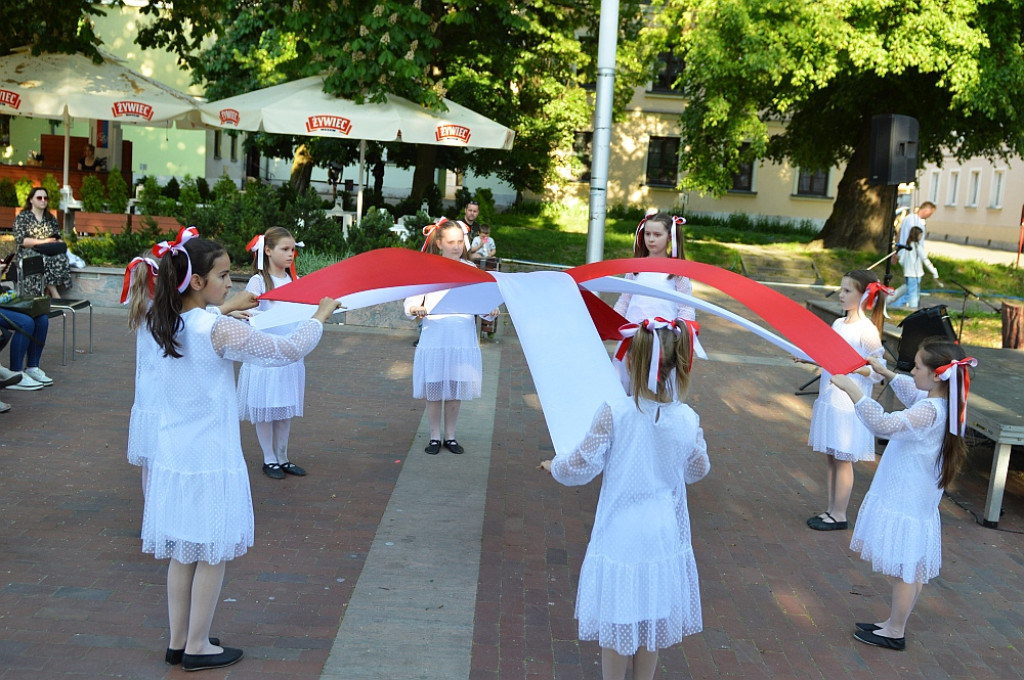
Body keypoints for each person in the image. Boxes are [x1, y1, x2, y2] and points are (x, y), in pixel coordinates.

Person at [140, 232, 339, 671]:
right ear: (196, 282)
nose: (231, 284)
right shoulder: (215, 327)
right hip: (210, 452)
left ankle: (178, 641)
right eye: (223, 276)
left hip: (175, 451)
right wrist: (321, 315)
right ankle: (198, 647)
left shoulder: (163, 320)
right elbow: (286, 351)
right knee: (212, 549)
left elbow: (208, 320)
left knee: (183, 550)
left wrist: (226, 309)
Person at [539, 318, 710, 680]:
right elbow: (698, 470)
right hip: (663, 532)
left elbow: (581, 466)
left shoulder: (616, 412)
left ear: (631, 362)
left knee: (618, 623)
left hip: (621, 531)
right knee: (652, 619)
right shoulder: (687, 419)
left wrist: (554, 465)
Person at [830, 338, 973, 651]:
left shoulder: (931, 410)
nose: (912, 370)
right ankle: (894, 621)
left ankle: (895, 630)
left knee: (906, 568)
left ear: (938, 375)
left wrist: (853, 391)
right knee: (912, 566)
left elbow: (884, 424)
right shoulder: (943, 402)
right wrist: (887, 373)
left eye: (918, 366)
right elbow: (913, 391)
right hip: (917, 497)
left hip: (908, 496)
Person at [404, 220, 497, 455]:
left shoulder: (471, 270)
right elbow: (411, 299)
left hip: (461, 338)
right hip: (435, 337)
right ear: (439, 243)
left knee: (455, 388)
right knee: (435, 387)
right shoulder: (427, 268)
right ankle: (435, 436)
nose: (456, 247)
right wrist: (415, 308)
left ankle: (451, 436)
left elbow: (482, 304)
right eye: (451, 242)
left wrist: (490, 309)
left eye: (459, 242)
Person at [805, 270, 887, 531]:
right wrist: (807, 357)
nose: (841, 295)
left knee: (843, 458)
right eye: (841, 289)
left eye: (847, 291)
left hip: (848, 404)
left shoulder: (867, 330)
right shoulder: (839, 324)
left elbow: (878, 370)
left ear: (864, 296)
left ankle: (839, 514)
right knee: (832, 456)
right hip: (831, 398)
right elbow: (829, 356)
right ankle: (831, 508)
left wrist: (853, 367)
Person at [237, 227, 311, 480]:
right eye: (285, 249)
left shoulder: (294, 280)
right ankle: (269, 457)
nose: (291, 254)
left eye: (293, 249)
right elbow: (250, 314)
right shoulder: (258, 282)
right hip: (266, 354)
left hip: (288, 353)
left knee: (283, 408)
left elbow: (302, 312)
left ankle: (283, 455)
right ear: (268, 251)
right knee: (266, 407)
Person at [613, 212, 696, 324]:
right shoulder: (635, 267)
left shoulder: (677, 271)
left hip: (665, 335)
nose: (651, 239)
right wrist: (612, 324)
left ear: (669, 237)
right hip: (634, 334)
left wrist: (683, 334)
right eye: (647, 234)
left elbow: (686, 307)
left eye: (657, 235)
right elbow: (624, 301)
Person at [13, 187, 72, 298]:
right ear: (31, 200)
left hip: (48, 249)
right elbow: (22, 241)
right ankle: (54, 294)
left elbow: (57, 236)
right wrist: (44, 241)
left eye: (45, 198)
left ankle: (47, 292)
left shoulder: (50, 218)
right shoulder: (23, 217)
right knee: (41, 259)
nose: (43, 200)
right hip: (28, 251)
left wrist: (57, 242)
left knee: (61, 258)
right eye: (39, 198)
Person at [0, 305, 51, 390]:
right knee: (25, 322)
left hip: (6, 302)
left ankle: (32, 367)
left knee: (42, 318)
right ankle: (16, 372)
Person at [891, 226, 941, 309]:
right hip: (915, 275)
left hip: (908, 273)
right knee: (911, 295)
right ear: (917, 235)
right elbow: (926, 261)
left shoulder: (908, 246)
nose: (921, 237)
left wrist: (907, 268)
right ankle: (894, 307)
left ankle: (911, 307)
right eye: (920, 235)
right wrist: (935, 272)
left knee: (912, 293)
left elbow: (902, 261)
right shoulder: (917, 247)